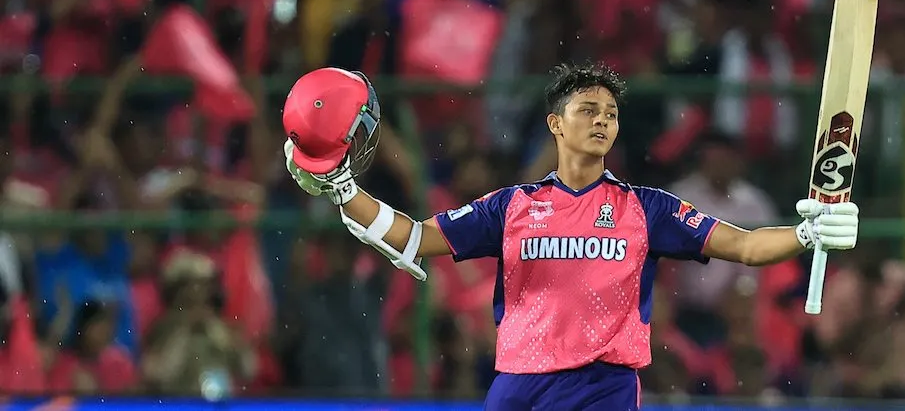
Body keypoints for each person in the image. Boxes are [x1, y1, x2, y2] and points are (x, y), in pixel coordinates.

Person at [282, 63, 860, 411]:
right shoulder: (510, 208)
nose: (604, 120)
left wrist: (809, 233)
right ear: (557, 124)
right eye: (589, 109)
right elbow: (410, 240)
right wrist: (341, 190)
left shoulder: (646, 209)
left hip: (601, 386)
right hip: (517, 385)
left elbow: (746, 246)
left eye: (611, 112)